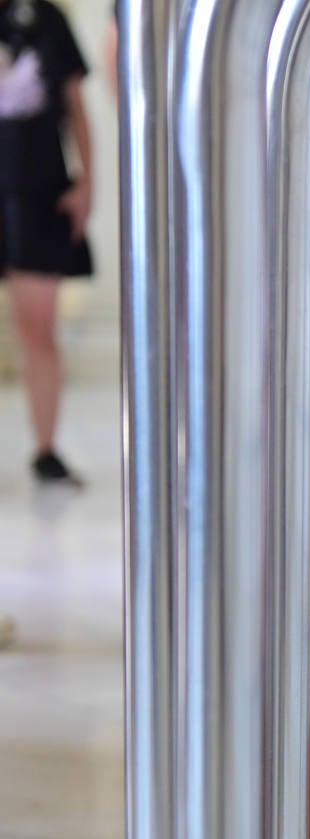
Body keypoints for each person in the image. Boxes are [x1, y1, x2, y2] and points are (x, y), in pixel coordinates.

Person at [0, 0, 92, 485]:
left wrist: (87, 182)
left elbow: (77, 105)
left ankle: (45, 449)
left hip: (35, 189)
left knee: (37, 325)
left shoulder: (47, 19)